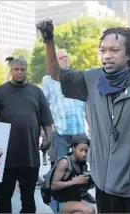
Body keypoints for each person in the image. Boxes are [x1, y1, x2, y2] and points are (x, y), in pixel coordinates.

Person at [40, 19, 130, 213]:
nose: (106, 56)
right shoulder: (92, 79)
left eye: (114, 50)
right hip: (104, 188)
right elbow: (57, 74)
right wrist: (49, 39)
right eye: (103, 50)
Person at [0, 57, 53, 213]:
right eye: (16, 69)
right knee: (2, 198)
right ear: (11, 71)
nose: (19, 72)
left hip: (29, 155)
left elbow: (46, 117)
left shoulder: (36, 92)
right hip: (4, 156)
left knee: (28, 198)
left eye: (22, 69)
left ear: (27, 71)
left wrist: (49, 138)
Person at [42, 49, 95, 203]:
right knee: (63, 163)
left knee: (82, 163)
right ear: (54, 62)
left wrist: (89, 124)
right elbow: (44, 105)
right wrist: (47, 126)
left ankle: (83, 193)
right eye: (61, 58)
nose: (65, 60)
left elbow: (85, 103)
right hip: (60, 128)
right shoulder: (47, 80)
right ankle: (63, 196)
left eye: (66, 57)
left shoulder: (76, 78)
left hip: (78, 128)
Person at [50, 135, 95, 214]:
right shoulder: (65, 162)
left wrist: (89, 181)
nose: (84, 154)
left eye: (86, 151)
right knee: (90, 210)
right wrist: (75, 181)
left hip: (73, 200)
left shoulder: (83, 164)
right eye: (80, 150)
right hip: (59, 202)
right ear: (73, 148)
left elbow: (82, 189)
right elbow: (54, 185)